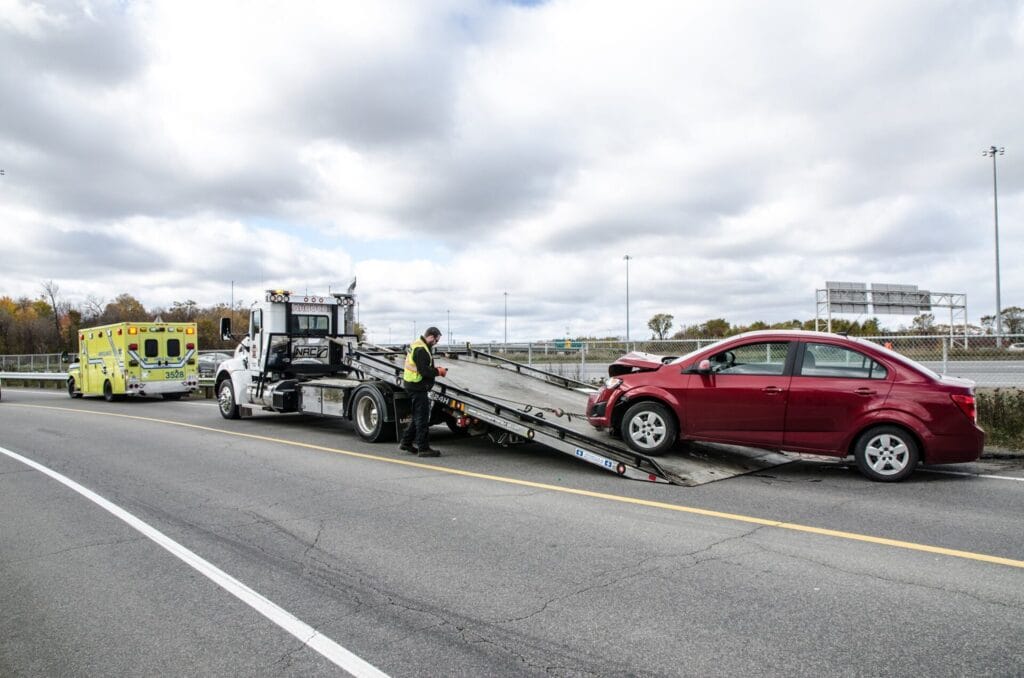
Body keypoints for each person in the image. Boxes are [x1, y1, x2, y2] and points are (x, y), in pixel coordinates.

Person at [399, 326, 448, 457]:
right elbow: (424, 371)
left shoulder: (418, 344)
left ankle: (406, 442)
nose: (436, 343)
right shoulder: (421, 349)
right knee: (422, 418)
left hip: (413, 384)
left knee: (417, 416)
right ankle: (423, 448)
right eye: (436, 340)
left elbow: (421, 366)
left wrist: (434, 368)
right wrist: (439, 371)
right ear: (431, 337)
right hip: (417, 386)